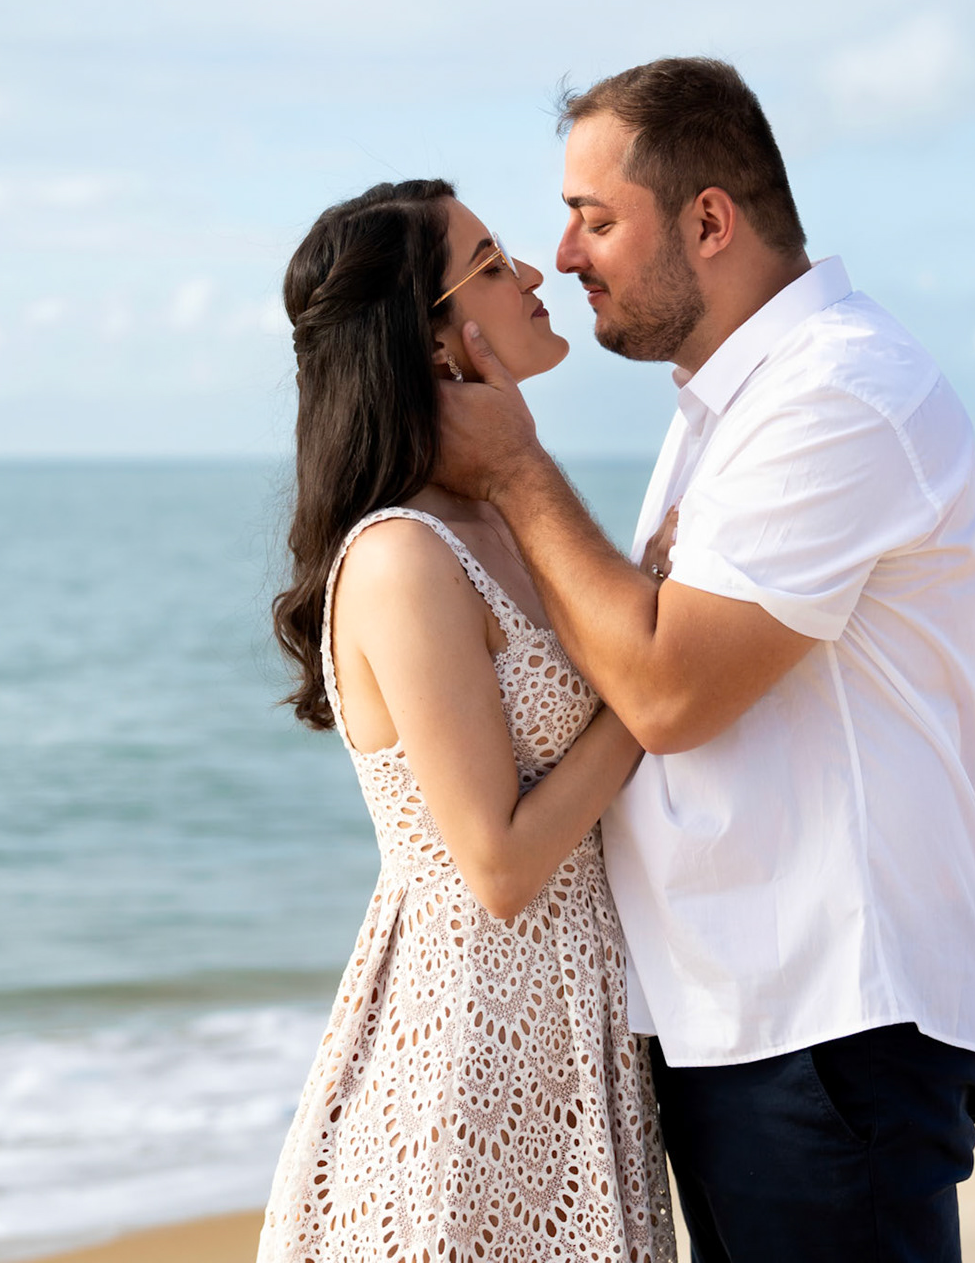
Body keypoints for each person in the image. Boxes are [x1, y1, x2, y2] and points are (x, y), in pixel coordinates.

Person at [434, 59, 975, 1262]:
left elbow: (668, 689)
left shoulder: (839, 393)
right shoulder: (729, 407)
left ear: (708, 219)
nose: (567, 254)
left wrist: (519, 472)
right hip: (750, 1019)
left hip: (824, 1023)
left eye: (595, 218)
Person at [259, 179, 677, 1263]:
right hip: (463, 1070)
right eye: (490, 263)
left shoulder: (500, 509)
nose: (536, 273)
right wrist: (653, 690)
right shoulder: (403, 556)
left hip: (573, 1043)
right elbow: (495, 861)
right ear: (433, 335)